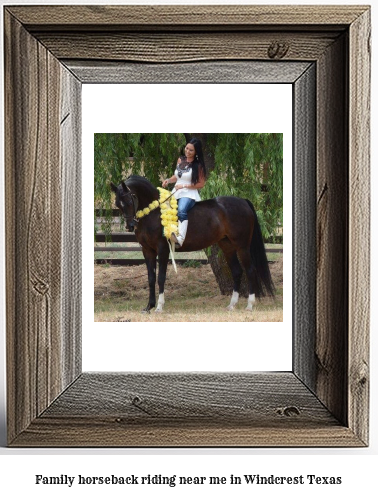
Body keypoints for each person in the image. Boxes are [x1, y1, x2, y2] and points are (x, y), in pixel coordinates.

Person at [162, 138, 206, 247]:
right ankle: (167, 234)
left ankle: (180, 239)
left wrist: (184, 186)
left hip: (189, 194)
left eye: (191, 150)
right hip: (176, 191)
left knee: (181, 210)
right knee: (164, 208)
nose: (187, 151)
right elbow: (177, 176)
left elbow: (201, 184)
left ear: (196, 152)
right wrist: (168, 180)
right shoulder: (180, 160)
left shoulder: (198, 165)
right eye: (187, 148)